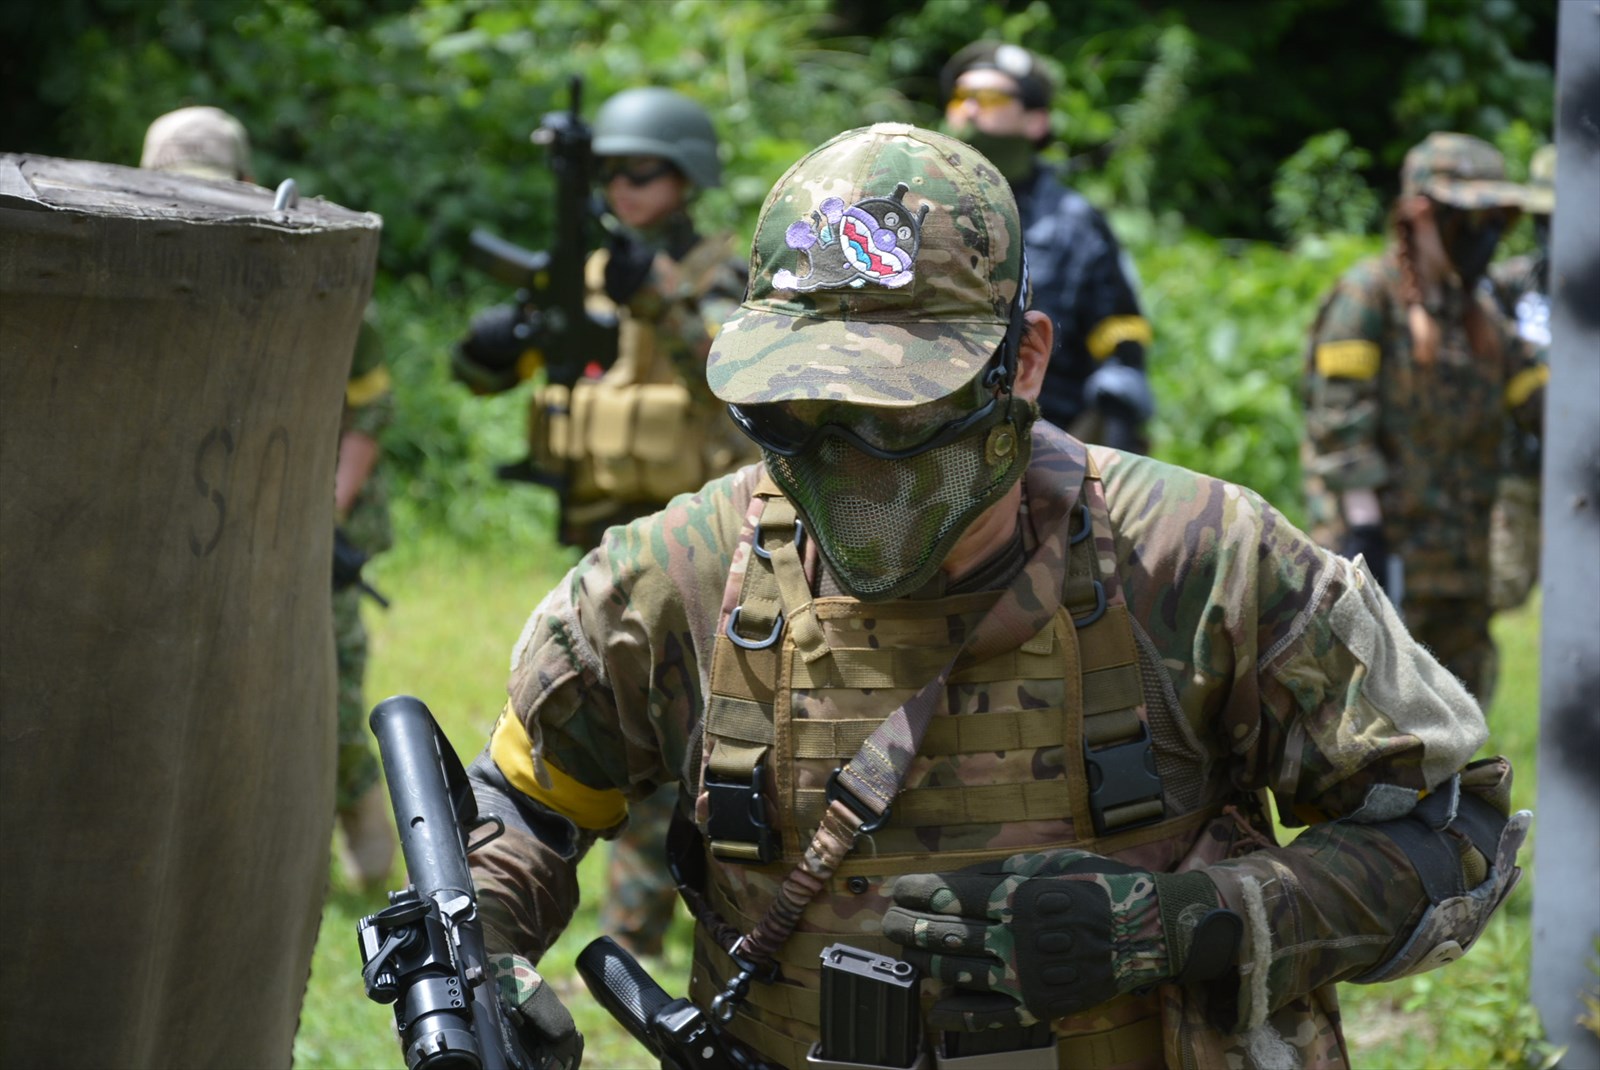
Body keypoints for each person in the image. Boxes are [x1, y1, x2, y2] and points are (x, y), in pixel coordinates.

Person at [462, 123, 1526, 1070]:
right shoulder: (680, 573)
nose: (846, 463)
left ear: (1021, 363)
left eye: (898, 412)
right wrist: (484, 959)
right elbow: (526, 802)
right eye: (794, 412)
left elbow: (1452, 830)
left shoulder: (1198, 557)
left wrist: (1179, 921)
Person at [455, 86, 754, 956]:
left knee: (673, 731)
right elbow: (507, 377)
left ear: (686, 177)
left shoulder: (718, 273)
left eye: (644, 172)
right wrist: (495, 347)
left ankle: (632, 937)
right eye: (613, 173)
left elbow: (734, 373)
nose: (626, 188)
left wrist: (657, 297)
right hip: (601, 531)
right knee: (572, 716)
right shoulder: (589, 272)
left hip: (693, 539)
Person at [142, 106, 398, 887]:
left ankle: (372, 858)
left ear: (249, 185)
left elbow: (369, 412)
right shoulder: (139, 275)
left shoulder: (311, 279)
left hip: (309, 526)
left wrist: (323, 516)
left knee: (328, 694)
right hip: (196, 528)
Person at [1301, 132, 1546, 704]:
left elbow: (1543, 404)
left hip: (1461, 570)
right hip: (1386, 566)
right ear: (1420, 215)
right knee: (1377, 727)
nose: (1486, 235)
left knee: (1459, 725)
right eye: (1473, 218)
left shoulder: (1478, 314)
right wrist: (1367, 545)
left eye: (1498, 221)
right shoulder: (1369, 297)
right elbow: (1339, 427)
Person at [940, 42, 1154, 452]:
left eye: (989, 97)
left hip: (1046, 447)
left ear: (1036, 121)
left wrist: (1096, 455)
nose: (969, 108)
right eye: (960, 96)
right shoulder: (923, 208)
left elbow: (1120, 348)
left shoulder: (1074, 223)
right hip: (935, 441)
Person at [1483, 144, 1555, 613]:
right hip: (1516, 474)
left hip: (1584, 474)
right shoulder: (1512, 283)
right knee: (1501, 585)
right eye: (1544, 220)